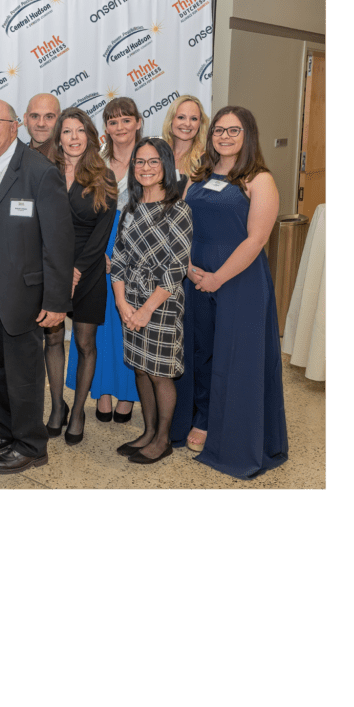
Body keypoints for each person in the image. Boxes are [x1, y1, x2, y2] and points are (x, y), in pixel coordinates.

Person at [171, 106, 288, 478]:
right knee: (201, 352)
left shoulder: (259, 179)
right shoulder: (200, 174)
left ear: (247, 135)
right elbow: (181, 222)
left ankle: (233, 434)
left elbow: (256, 240)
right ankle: (202, 417)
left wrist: (217, 278)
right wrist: (189, 268)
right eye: (219, 130)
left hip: (239, 281)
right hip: (195, 278)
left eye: (233, 131)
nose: (224, 136)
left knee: (236, 358)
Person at [0, 98, 74, 474]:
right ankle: (7, 429)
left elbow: (59, 242)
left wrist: (57, 302)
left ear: (14, 127)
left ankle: (31, 445)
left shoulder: (40, 172)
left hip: (24, 289)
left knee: (22, 371)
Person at [110, 137, 193, 465]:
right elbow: (117, 258)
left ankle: (163, 439)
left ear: (166, 166)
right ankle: (147, 432)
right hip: (130, 301)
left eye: (153, 162)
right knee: (141, 370)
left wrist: (145, 310)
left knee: (160, 373)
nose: (145, 168)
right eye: (139, 162)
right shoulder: (128, 208)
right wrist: (122, 303)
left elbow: (177, 267)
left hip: (162, 304)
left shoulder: (179, 210)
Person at [44, 108, 117, 445]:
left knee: (86, 344)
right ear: (58, 137)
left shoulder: (105, 176)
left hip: (87, 271)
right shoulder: (47, 172)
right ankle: (56, 407)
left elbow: (102, 233)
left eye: (79, 131)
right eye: (67, 131)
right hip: (51, 268)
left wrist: (75, 271)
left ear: (90, 135)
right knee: (53, 339)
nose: (73, 138)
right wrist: (57, 272)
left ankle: (77, 411)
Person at [67, 98, 141, 424]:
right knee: (100, 326)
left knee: (130, 324)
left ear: (138, 122)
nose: (120, 127)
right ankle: (104, 392)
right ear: (105, 128)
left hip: (138, 248)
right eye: (113, 121)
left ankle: (127, 395)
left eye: (126, 120)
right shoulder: (97, 162)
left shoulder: (151, 158)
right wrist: (100, 253)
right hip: (100, 250)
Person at [161, 94, 209, 191]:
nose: (187, 124)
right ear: (171, 120)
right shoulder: (157, 153)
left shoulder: (205, 161)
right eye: (181, 117)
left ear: (200, 124)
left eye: (194, 119)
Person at [23, 93, 60, 162]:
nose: (41, 124)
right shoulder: (13, 161)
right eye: (35, 116)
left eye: (49, 117)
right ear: (25, 119)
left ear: (60, 119)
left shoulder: (72, 161)